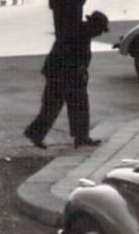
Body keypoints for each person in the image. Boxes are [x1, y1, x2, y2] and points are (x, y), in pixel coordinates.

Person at [26, 10, 110, 149]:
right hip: (61, 74)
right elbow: (68, 56)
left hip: (66, 74)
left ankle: (80, 136)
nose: (100, 34)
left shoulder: (82, 31)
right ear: (94, 26)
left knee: (74, 105)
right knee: (56, 105)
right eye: (100, 30)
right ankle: (38, 133)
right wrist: (76, 72)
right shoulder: (80, 34)